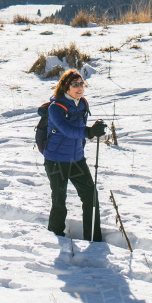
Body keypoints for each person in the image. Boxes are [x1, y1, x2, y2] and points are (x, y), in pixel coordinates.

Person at [42, 69, 107, 241]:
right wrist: (89, 131)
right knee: (59, 200)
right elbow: (68, 130)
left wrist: (93, 129)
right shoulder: (56, 107)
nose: (79, 87)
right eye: (75, 84)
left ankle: (94, 238)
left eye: (82, 83)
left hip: (77, 158)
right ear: (65, 87)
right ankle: (55, 238)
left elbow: (79, 131)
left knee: (91, 196)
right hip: (56, 160)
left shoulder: (83, 103)